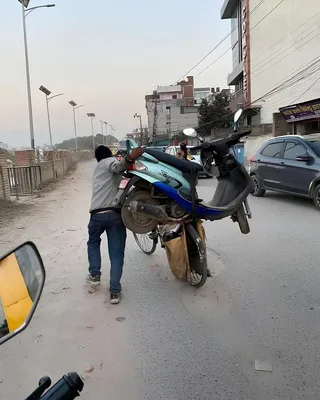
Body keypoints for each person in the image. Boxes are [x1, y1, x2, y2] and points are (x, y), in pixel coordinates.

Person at [86, 145, 144, 304]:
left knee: (93, 242)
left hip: (97, 215)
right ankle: (114, 292)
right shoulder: (109, 163)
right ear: (109, 155)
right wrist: (130, 157)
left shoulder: (98, 169)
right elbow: (118, 166)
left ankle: (95, 275)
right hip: (115, 215)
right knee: (116, 254)